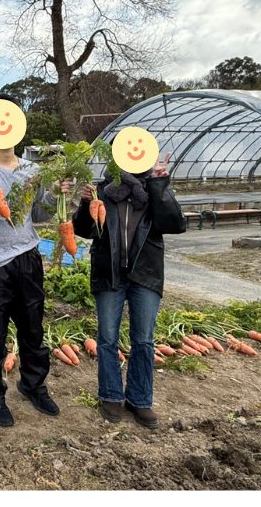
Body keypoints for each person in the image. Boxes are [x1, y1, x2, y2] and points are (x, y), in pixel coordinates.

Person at [0, 93, 71, 428]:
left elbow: (37, 215)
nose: (3, 123)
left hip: (28, 258)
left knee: (32, 330)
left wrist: (53, 194)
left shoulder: (31, 170)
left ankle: (33, 385)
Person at [73, 152, 185, 428]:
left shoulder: (152, 188)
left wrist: (160, 186)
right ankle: (111, 395)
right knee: (107, 337)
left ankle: (140, 399)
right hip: (109, 272)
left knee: (144, 340)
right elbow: (83, 230)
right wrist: (85, 205)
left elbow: (175, 224)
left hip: (145, 273)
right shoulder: (102, 190)